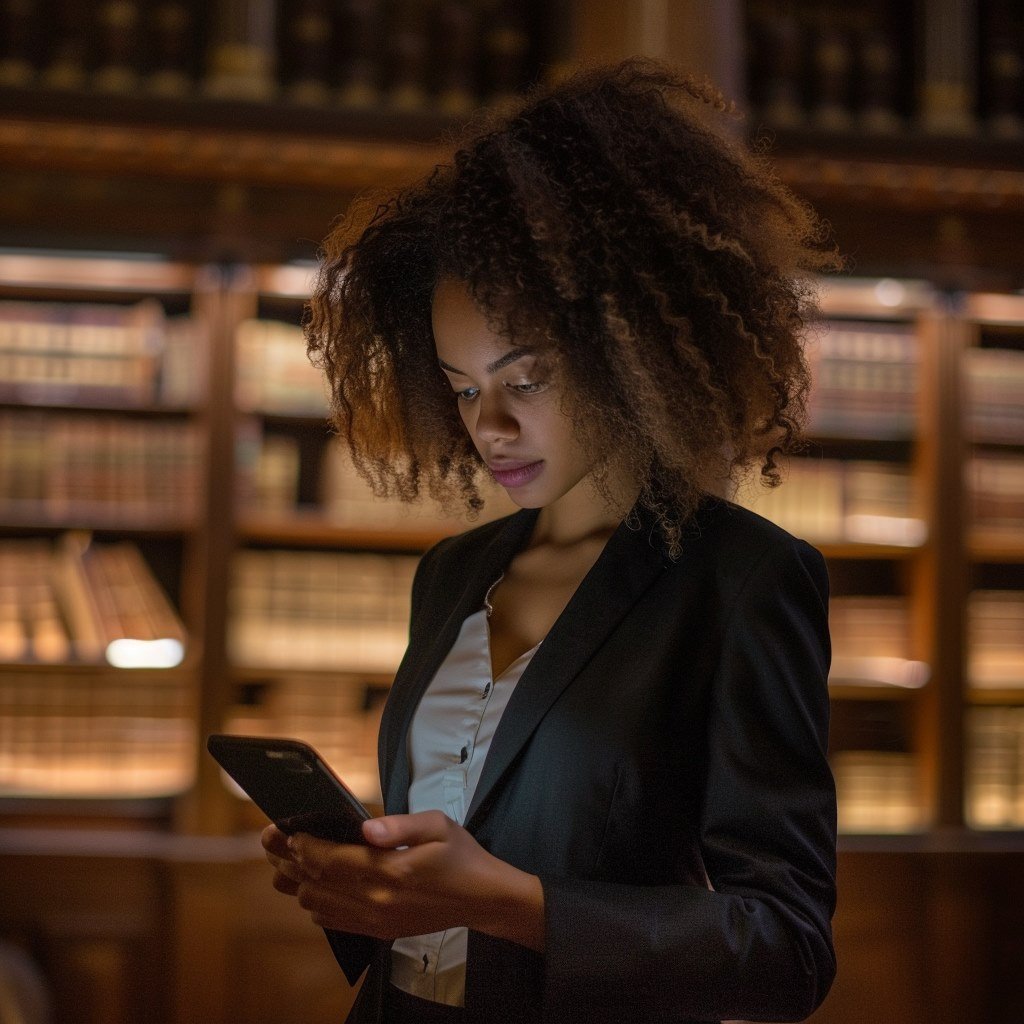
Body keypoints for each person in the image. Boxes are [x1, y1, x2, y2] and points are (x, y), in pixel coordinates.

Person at [262, 57, 840, 1024]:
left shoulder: (741, 581)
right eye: (460, 386)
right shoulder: (452, 575)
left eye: (523, 380)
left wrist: (507, 905)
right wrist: (359, 886)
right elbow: (428, 901)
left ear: (633, 353)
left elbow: (785, 949)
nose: (487, 424)